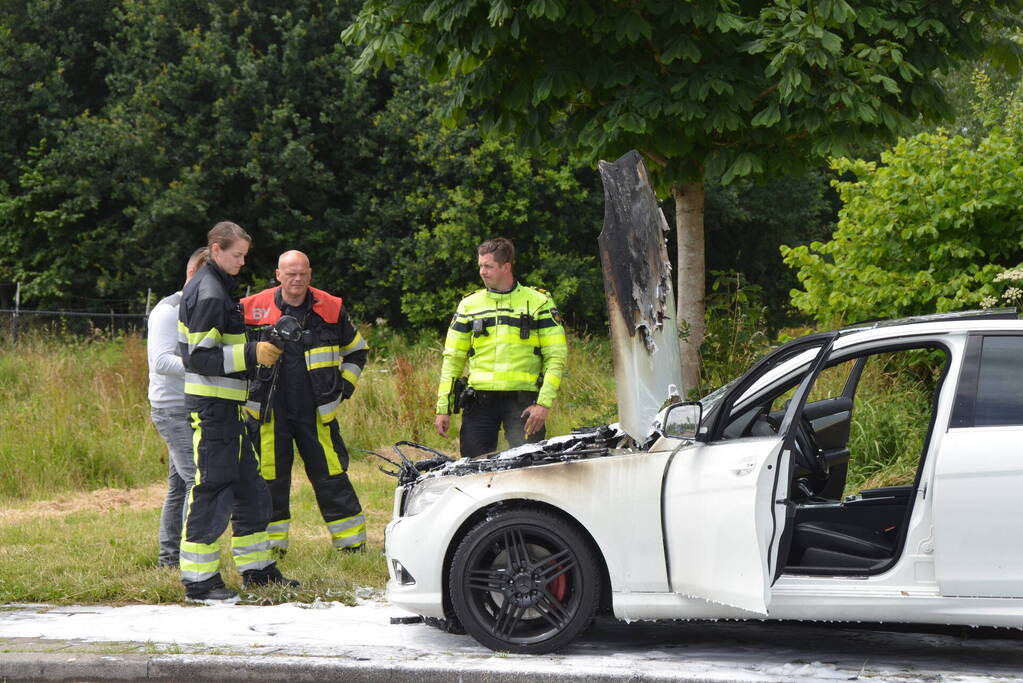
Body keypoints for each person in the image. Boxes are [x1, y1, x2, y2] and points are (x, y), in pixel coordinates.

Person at [177, 221, 297, 604]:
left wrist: (262, 343)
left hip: (228, 407)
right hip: (212, 408)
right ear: (215, 249)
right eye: (237, 255)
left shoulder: (219, 287)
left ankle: (257, 570)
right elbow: (198, 357)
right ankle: (200, 582)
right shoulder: (210, 292)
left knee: (250, 488)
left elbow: (222, 346)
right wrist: (252, 353)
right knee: (212, 488)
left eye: (244, 255)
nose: (242, 262)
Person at [241, 251, 368, 555]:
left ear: (310, 274)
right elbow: (233, 355)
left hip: (315, 411)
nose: (297, 280)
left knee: (332, 476)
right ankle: (272, 550)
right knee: (269, 479)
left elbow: (357, 351)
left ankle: (352, 546)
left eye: (302, 274)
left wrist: (342, 390)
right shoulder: (251, 309)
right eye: (290, 274)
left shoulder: (331, 307)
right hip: (269, 412)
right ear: (278, 275)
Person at [434, 237, 568, 458]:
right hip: (480, 403)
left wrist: (543, 404)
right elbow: (453, 359)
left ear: (506, 266)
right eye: (480, 266)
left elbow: (556, 356)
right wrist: (443, 408)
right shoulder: (469, 305)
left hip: (523, 404)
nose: (482, 272)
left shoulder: (539, 302)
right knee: (473, 471)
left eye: (488, 266)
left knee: (527, 469)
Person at [147, 246, 208, 568]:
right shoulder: (169, 310)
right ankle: (188, 560)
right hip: (171, 408)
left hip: (192, 405)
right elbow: (160, 361)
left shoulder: (200, 309)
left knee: (178, 485)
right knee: (196, 481)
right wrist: (207, 364)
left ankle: (168, 558)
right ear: (192, 275)